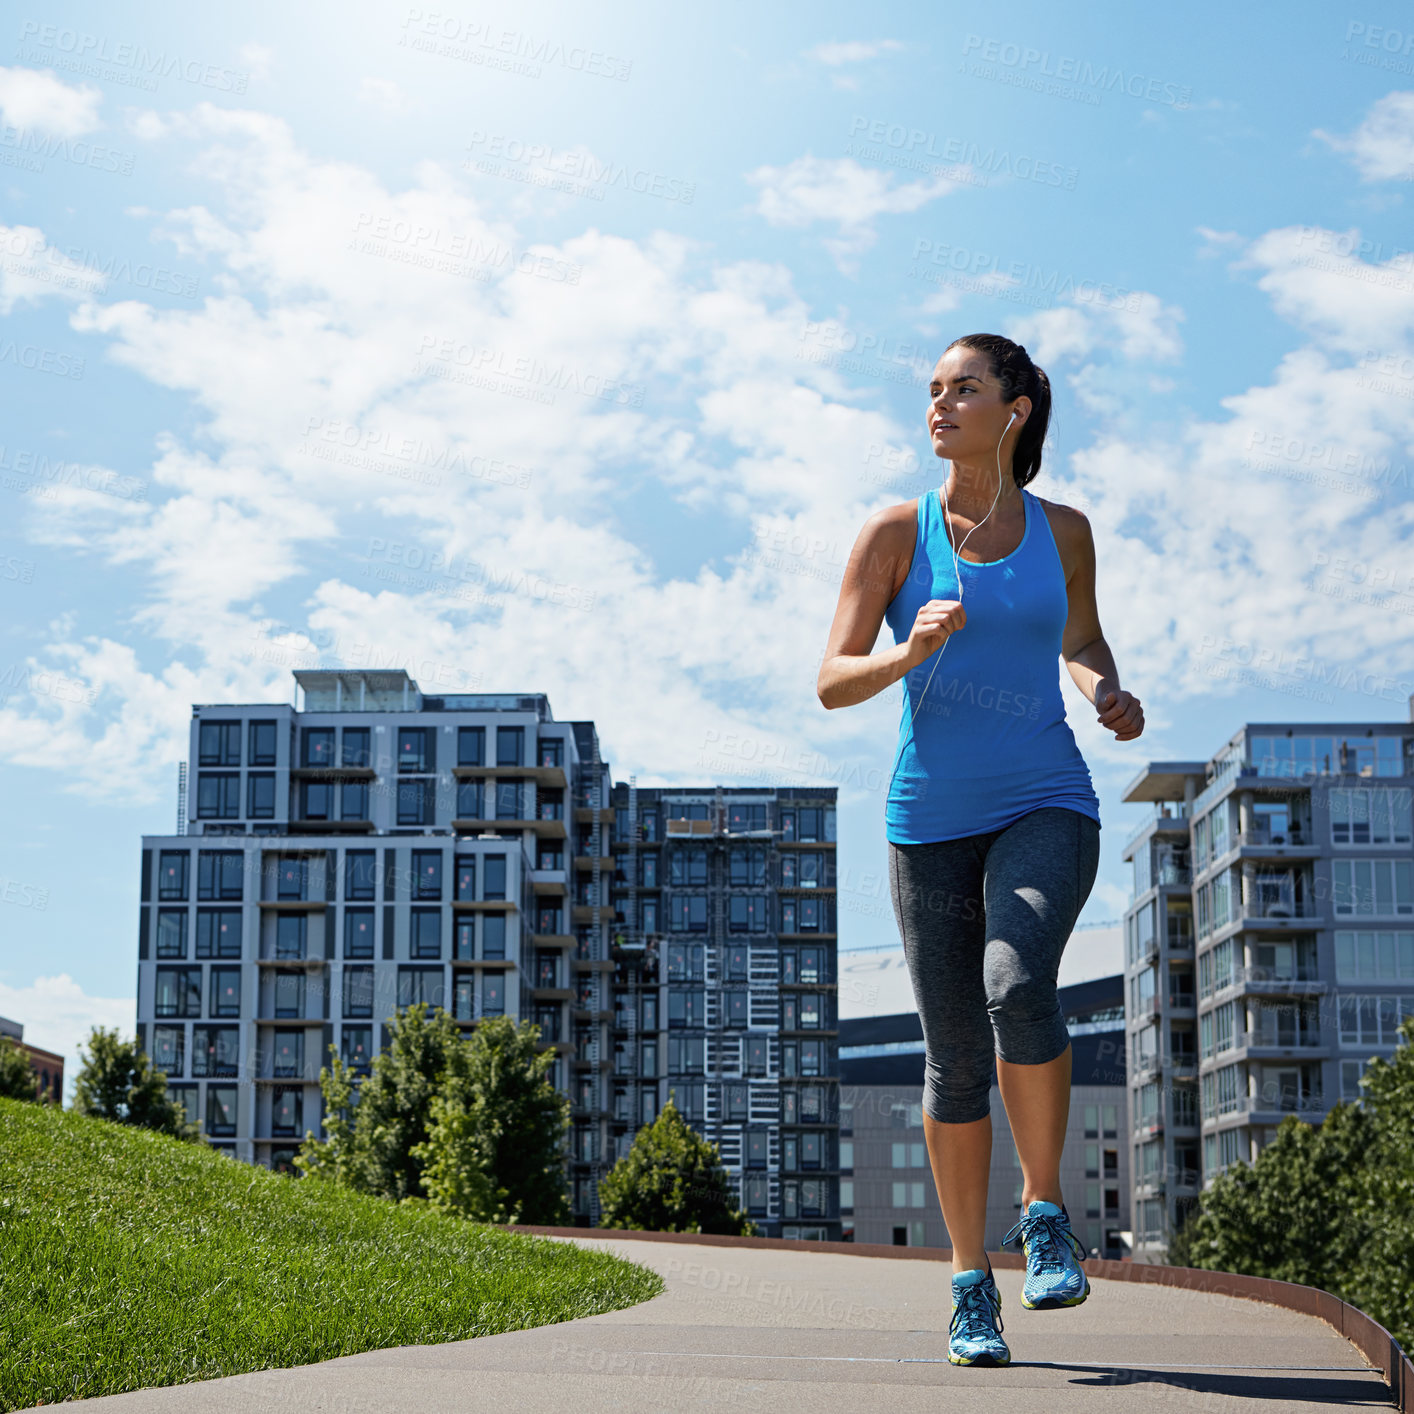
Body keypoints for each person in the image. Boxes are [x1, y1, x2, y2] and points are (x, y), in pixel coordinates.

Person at [816, 333, 1144, 1367]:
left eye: (963, 388)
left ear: (1015, 409)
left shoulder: (1064, 530)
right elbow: (830, 677)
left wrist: (1106, 691)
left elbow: (1080, 640)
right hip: (927, 822)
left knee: (1018, 979)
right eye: (932, 390)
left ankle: (1044, 1211)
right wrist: (907, 652)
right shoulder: (893, 533)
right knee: (954, 1059)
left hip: (1046, 797)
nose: (940, 404)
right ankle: (969, 1283)